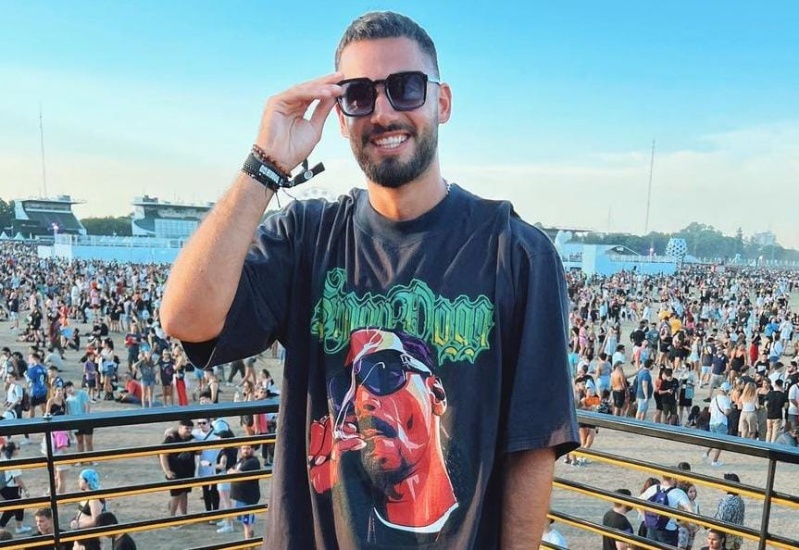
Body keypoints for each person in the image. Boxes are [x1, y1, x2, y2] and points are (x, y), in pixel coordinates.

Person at [160, 10, 578, 549]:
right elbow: (186, 318)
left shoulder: (516, 252)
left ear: (442, 102)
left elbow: (533, 447)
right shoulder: (306, 237)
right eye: (358, 95)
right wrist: (266, 165)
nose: (383, 112)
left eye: (406, 88)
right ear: (340, 117)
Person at [638, 474, 693, 546]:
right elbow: (690, 511)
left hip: (652, 528)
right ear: (673, 478)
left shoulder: (653, 488)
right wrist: (689, 525)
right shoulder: (678, 492)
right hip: (669, 530)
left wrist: (645, 518)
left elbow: (638, 502)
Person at [159, 419, 196, 522]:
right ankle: (172, 518)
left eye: (191, 429)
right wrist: (167, 471)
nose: (189, 431)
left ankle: (184, 516)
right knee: (176, 495)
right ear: (180, 428)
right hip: (175, 472)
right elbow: (163, 455)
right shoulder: (172, 438)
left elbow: (199, 452)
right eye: (186, 428)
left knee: (184, 494)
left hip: (188, 471)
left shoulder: (192, 438)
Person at [228, 444, 261, 539]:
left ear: (253, 449)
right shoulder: (241, 460)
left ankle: (249, 542)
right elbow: (229, 471)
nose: (245, 451)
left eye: (248, 448)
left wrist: (234, 472)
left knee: (247, 523)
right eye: (243, 448)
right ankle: (248, 541)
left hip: (248, 498)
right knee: (245, 523)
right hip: (240, 497)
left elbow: (237, 473)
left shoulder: (253, 462)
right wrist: (233, 472)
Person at [0, 442, 32, 535]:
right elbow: (18, 479)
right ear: (13, 451)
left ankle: (18, 526)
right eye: (17, 448)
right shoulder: (13, 462)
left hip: (3, 488)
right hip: (11, 489)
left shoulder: (3, 459)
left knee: (15, 507)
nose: (18, 450)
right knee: (13, 508)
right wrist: (26, 490)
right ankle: (17, 527)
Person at [703, 382, 732, 467]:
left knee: (713, 440)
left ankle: (706, 453)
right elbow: (726, 412)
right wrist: (731, 409)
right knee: (720, 443)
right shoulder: (726, 400)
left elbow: (709, 410)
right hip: (721, 422)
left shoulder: (714, 398)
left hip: (712, 422)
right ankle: (714, 461)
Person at [715, 472, 745, 550]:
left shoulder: (726, 501)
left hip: (727, 538)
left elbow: (720, 519)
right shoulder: (740, 501)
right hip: (737, 537)